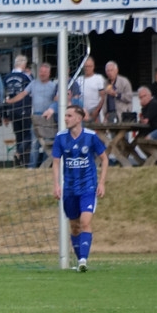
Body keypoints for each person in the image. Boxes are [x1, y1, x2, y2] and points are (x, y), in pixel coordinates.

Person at [52, 103, 108, 272]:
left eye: (69, 116)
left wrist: (102, 182)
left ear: (78, 118)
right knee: (75, 226)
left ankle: (83, 260)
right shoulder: (60, 137)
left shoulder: (91, 136)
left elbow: (104, 159)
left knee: (85, 222)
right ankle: (79, 260)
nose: (65, 119)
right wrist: (56, 185)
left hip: (88, 187)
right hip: (69, 188)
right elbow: (56, 163)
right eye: (65, 115)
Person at [26, 63, 59, 168]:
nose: (42, 74)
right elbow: (23, 94)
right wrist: (10, 101)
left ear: (49, 73)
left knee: (48, 142)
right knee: (34, 143)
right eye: (41, 71)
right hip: (35, 117)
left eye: (45, 72)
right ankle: (31, 167)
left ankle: (45, 166)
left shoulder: (53, 86)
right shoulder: (33, 83)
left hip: (48, 118)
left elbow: (57, 100)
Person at [3, 55, 33, 164]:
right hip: (24, 109)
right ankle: (21, 155)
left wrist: (5, 115)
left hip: (12, 110)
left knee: (18, 136)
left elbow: (4, 96)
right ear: (24, 64)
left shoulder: (6, 77)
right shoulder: (26, 77)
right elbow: (31, 92)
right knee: (29, 135)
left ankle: (20, 161)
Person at [75, 57, 105, 122]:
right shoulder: (78, 79)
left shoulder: (98, 78)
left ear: (93, 66)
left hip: (95, 111)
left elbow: (103, 97)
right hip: (81, 111)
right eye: (85, 66)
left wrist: (96, 111)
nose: (87, 68)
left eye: (89, 66)